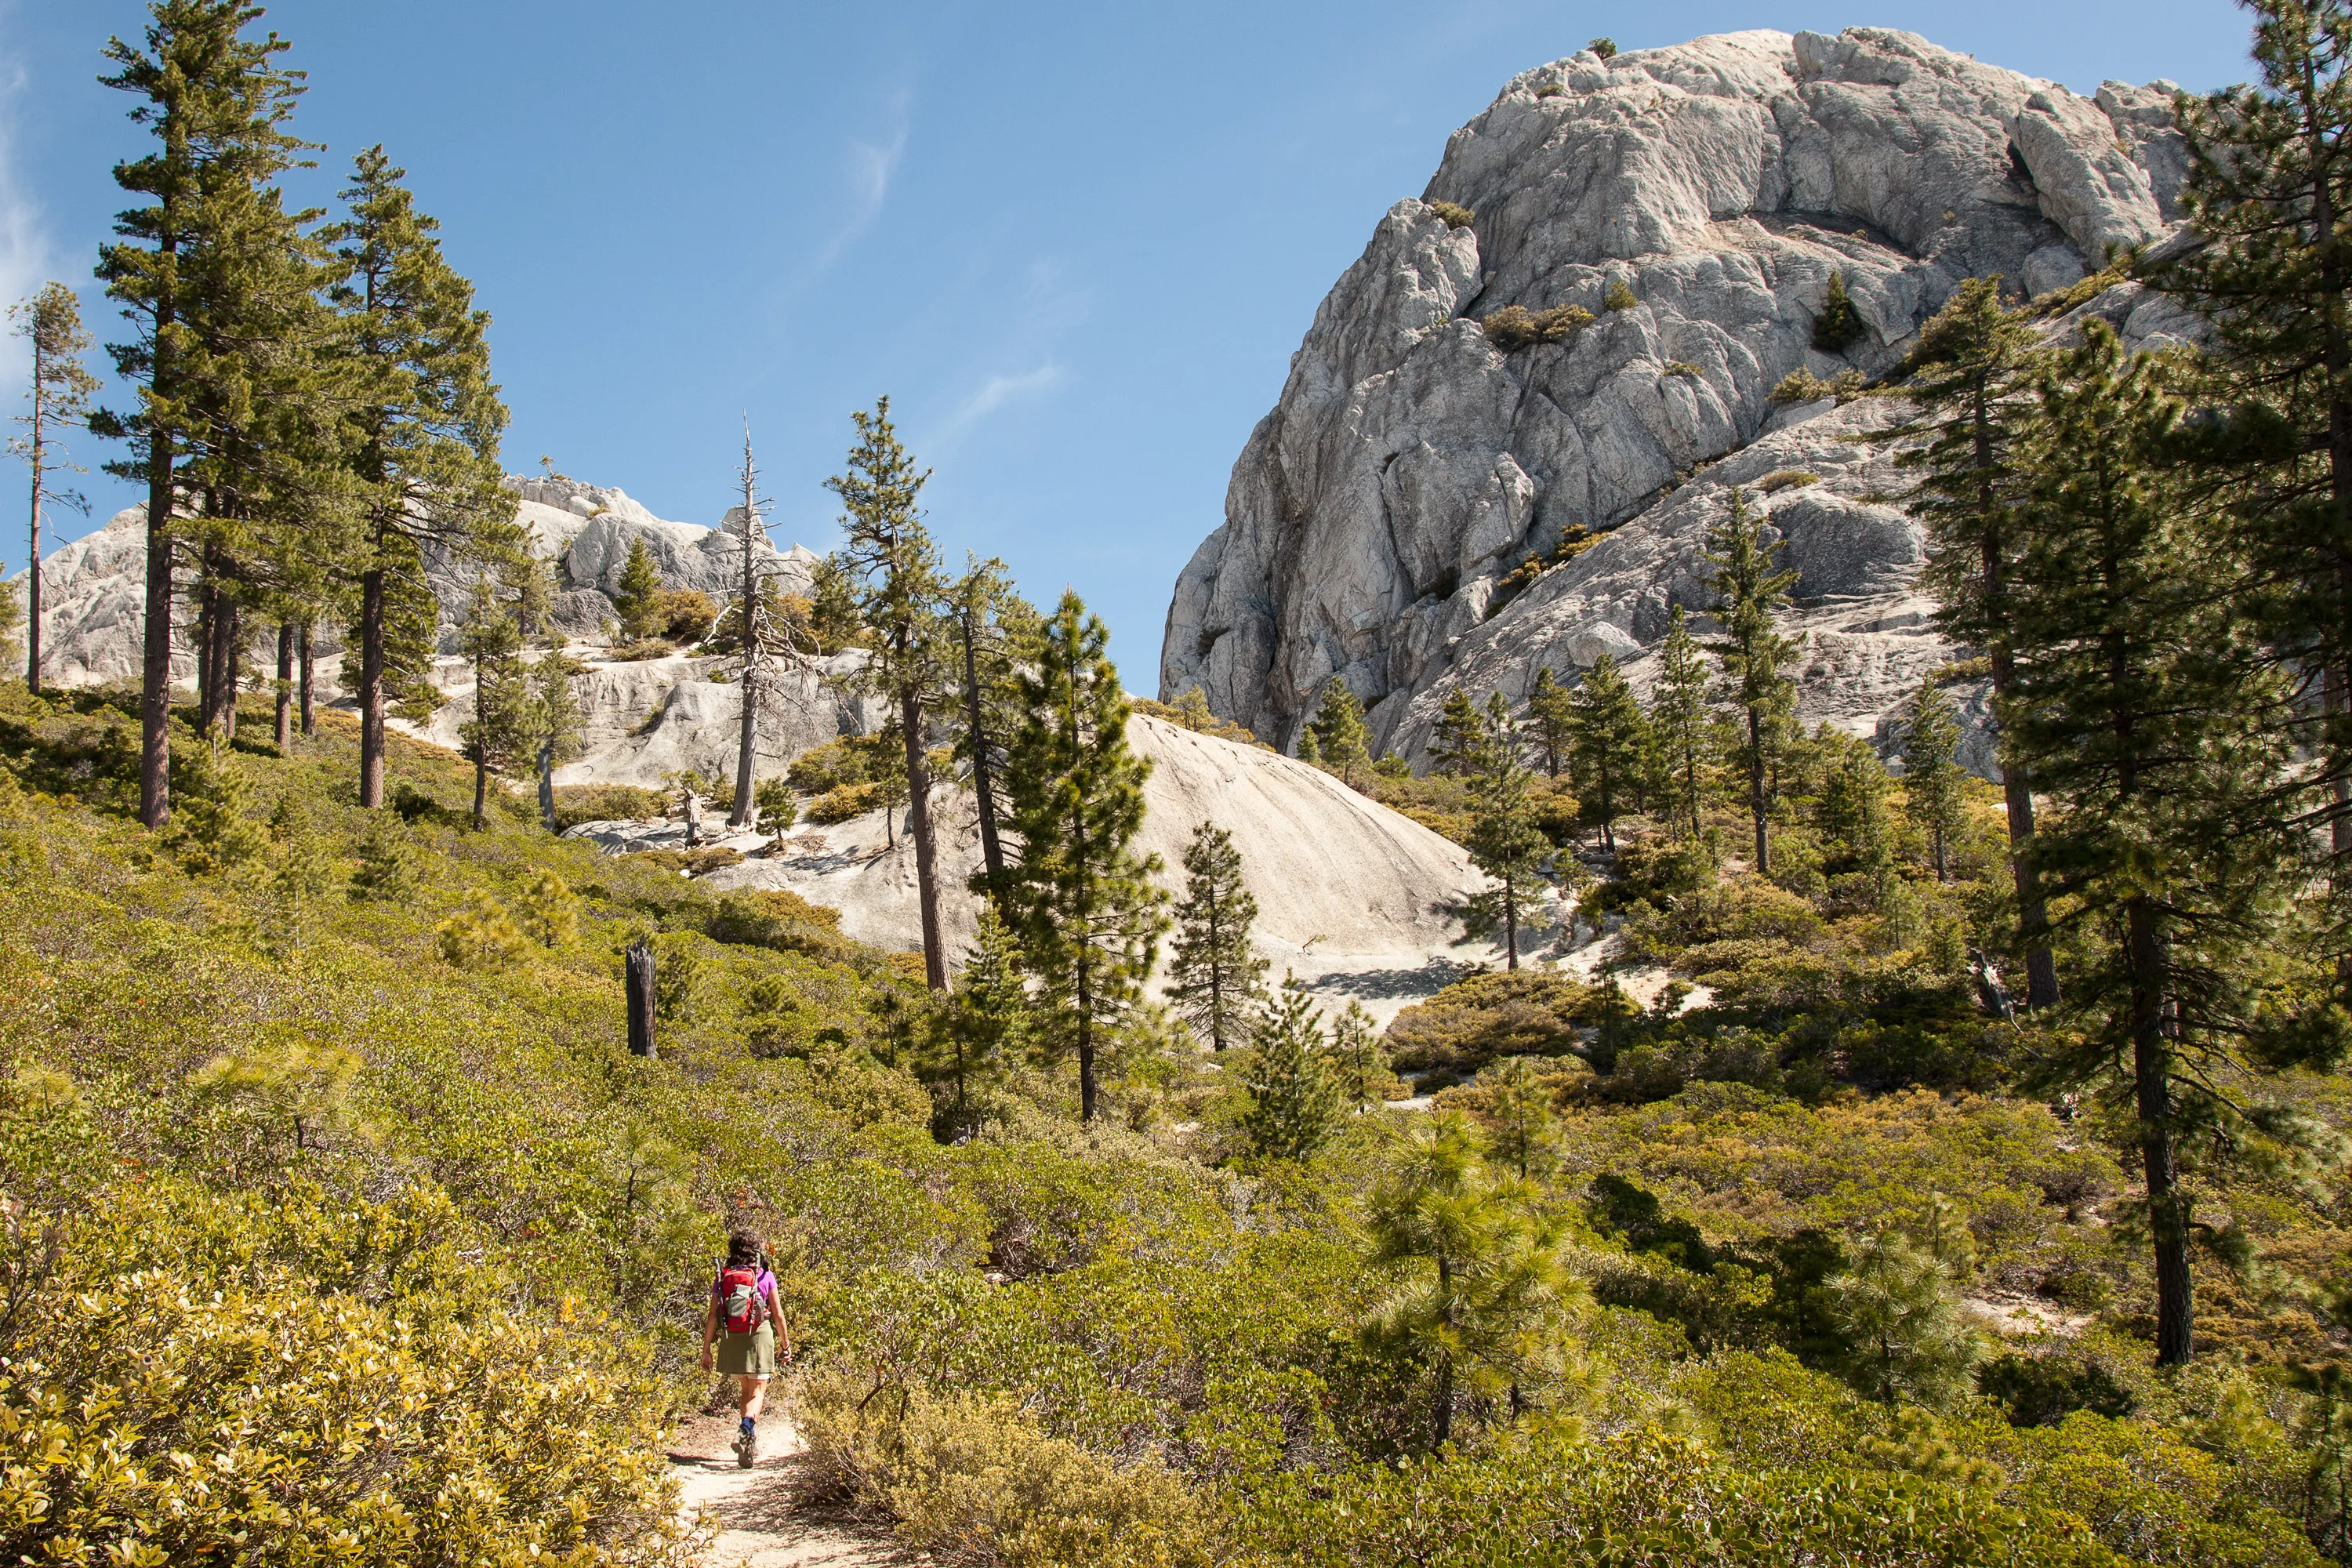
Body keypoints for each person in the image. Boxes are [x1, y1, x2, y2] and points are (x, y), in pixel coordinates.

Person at [702, 1230, 790, 1466]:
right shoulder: (764, 1275)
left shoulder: (723, 1276)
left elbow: (713, 1316)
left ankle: (748, 1444)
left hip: (733, 1338)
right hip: (758, 1335)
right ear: (757, 1249)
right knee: (757, 1392)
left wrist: (706, 1350)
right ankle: (745, 1428)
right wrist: (785, 1344)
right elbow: (778, 1315)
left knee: (745, 1392)